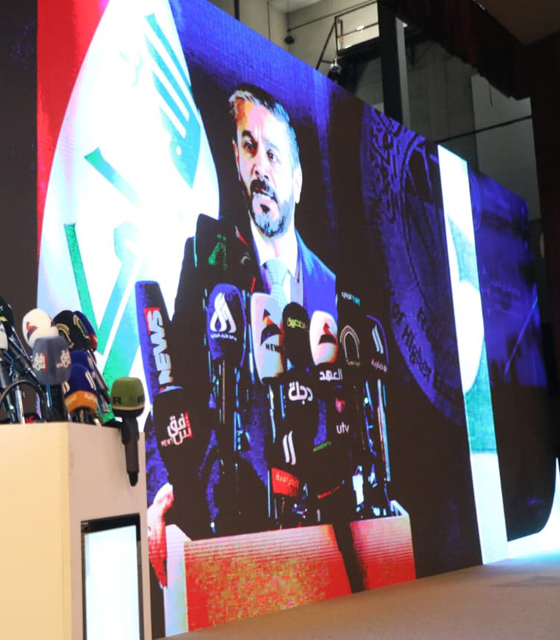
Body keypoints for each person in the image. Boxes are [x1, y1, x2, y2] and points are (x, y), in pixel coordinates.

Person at [146, 85, 336, 587]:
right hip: (230, 532)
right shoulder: (207, 263)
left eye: (273, 154)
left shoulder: (331, 288)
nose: (260, 167)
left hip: (319, 534)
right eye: (249, 148)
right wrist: (159, 488)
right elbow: (170, 391)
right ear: (234, 159)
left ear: (297, 179)